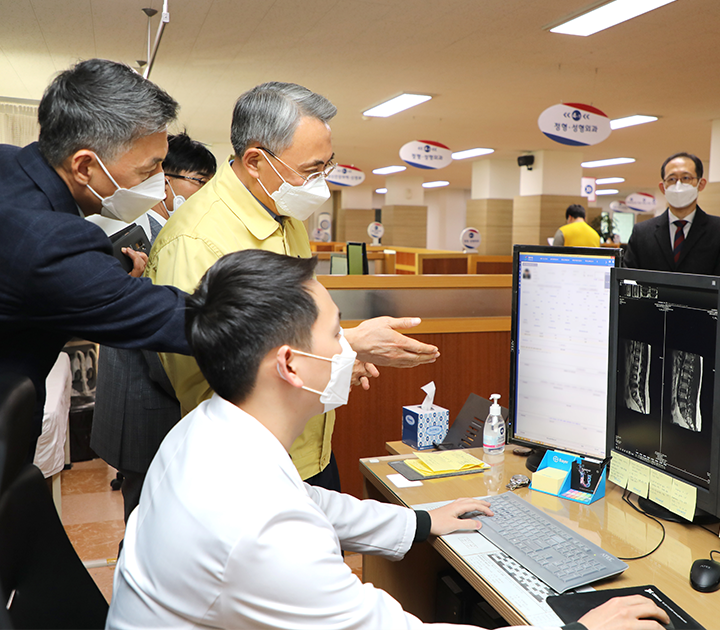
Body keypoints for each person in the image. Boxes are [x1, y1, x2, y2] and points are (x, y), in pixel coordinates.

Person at [107, 249, 669, 630]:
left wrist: (422, 522)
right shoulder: (257, 529)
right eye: (336, 333)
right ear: (290, 365)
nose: (350, 348)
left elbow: (308, 503)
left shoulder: (207, 430)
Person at [146, 81, 440, 491]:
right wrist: (348, 345)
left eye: (327, 166)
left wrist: (336, 365)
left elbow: (297, 325)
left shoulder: (284, 215)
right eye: (311, 170)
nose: (322, 183)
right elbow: (209, 371)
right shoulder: (196, 240)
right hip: (248, 468)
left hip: (308, 450)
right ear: (254, 161)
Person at [0, 58, 192, 457]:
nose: (159, 185)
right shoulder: (50, 242)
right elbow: (168, 317)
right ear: (85, 165)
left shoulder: (10, 162)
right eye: (149, 170)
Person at [90, 132, 217, 522]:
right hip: (144, 399)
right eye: (199, 182)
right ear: (166, 180)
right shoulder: (131, 234)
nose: (204, 193)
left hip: (156, 394)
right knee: (146, 516)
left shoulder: (167, 231)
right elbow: (145, 330)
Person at [623, 152, 720, 276]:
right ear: (663, 187)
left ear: (701, 184)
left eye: (686, 178)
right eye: (671, 179)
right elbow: (628, 279)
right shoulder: (642, 233)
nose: (678, 185)